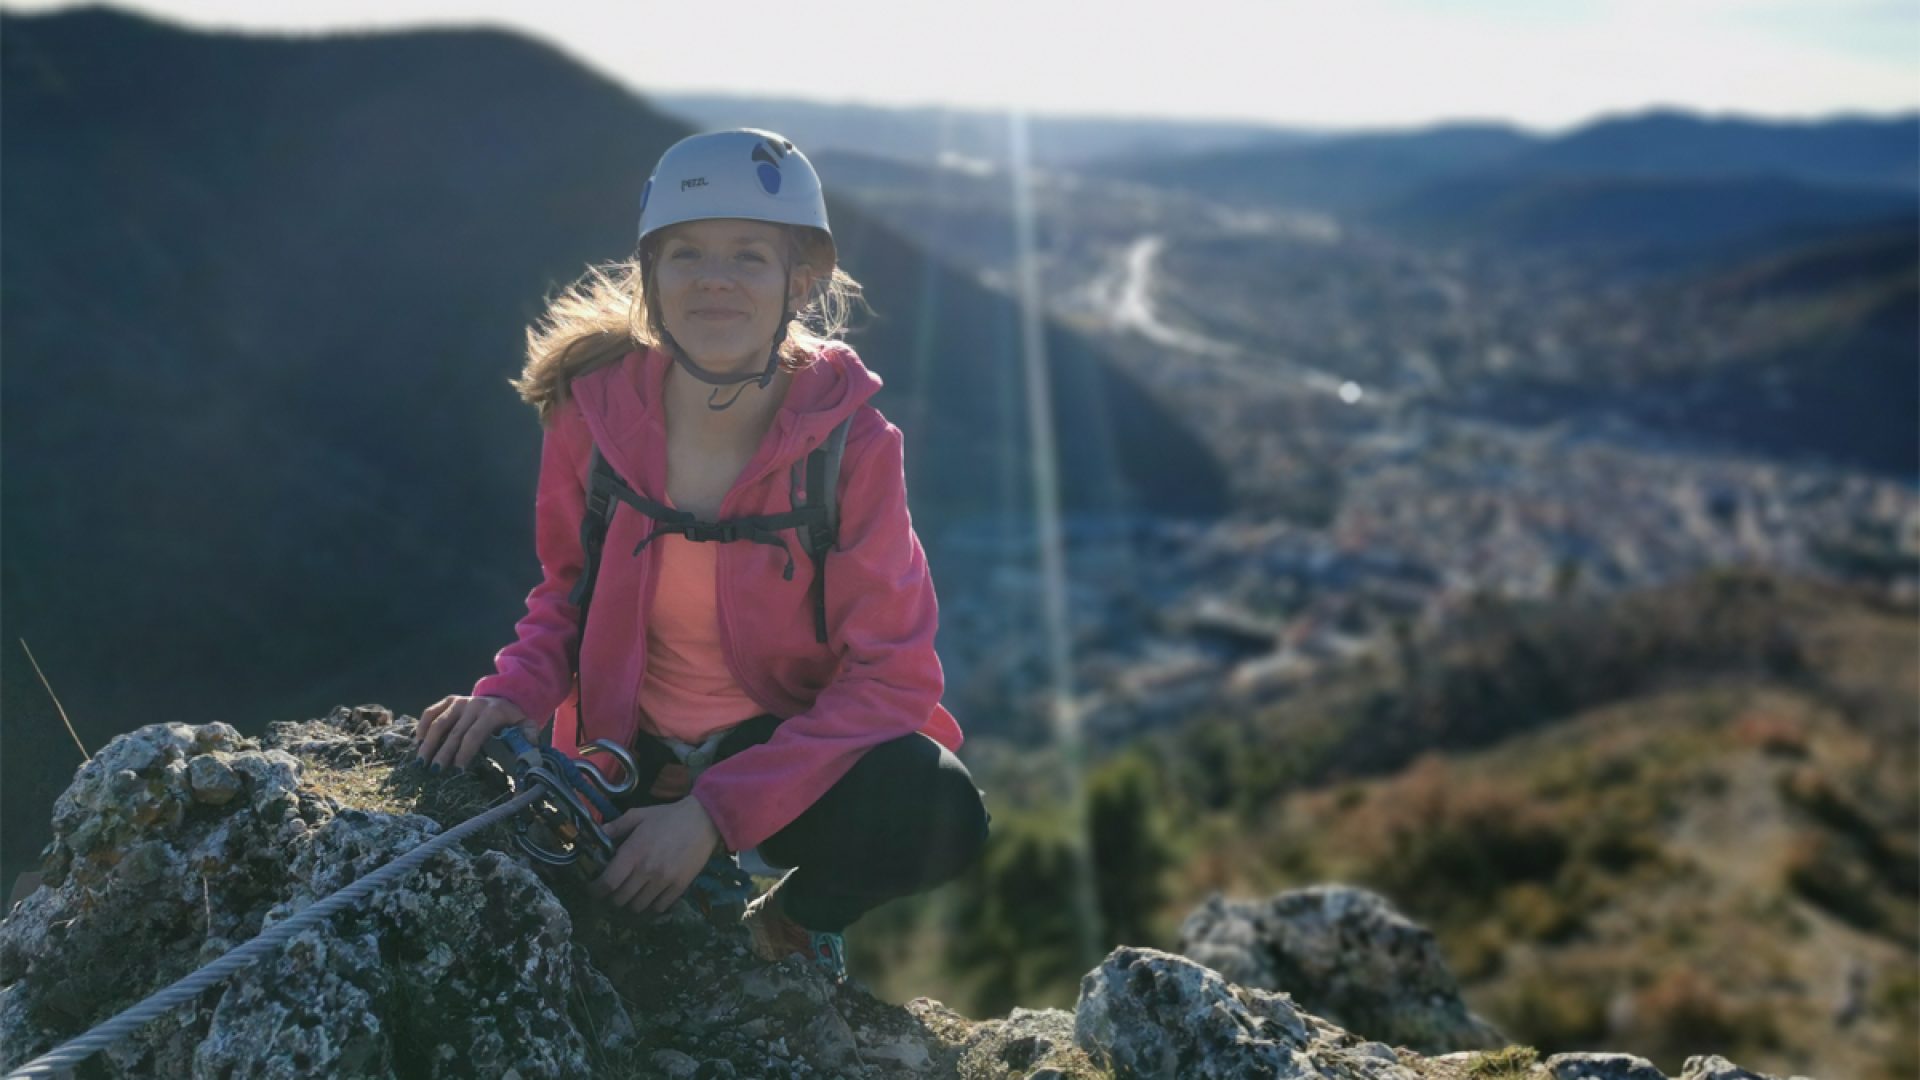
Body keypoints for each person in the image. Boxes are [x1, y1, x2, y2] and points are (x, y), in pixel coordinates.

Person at [410, 129, 990, 981]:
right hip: (625, 747)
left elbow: (894, 677)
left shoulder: (852, 444)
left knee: (942, 813)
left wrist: (716, 814)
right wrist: (510, 696)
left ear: (801, 280)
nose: (714, 278)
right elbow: (566, 592)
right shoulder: (595, 415)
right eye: (686, 254)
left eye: (748, 256)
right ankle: (687, 866)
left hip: (779, 741)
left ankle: (793, 923)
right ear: (652, 274)